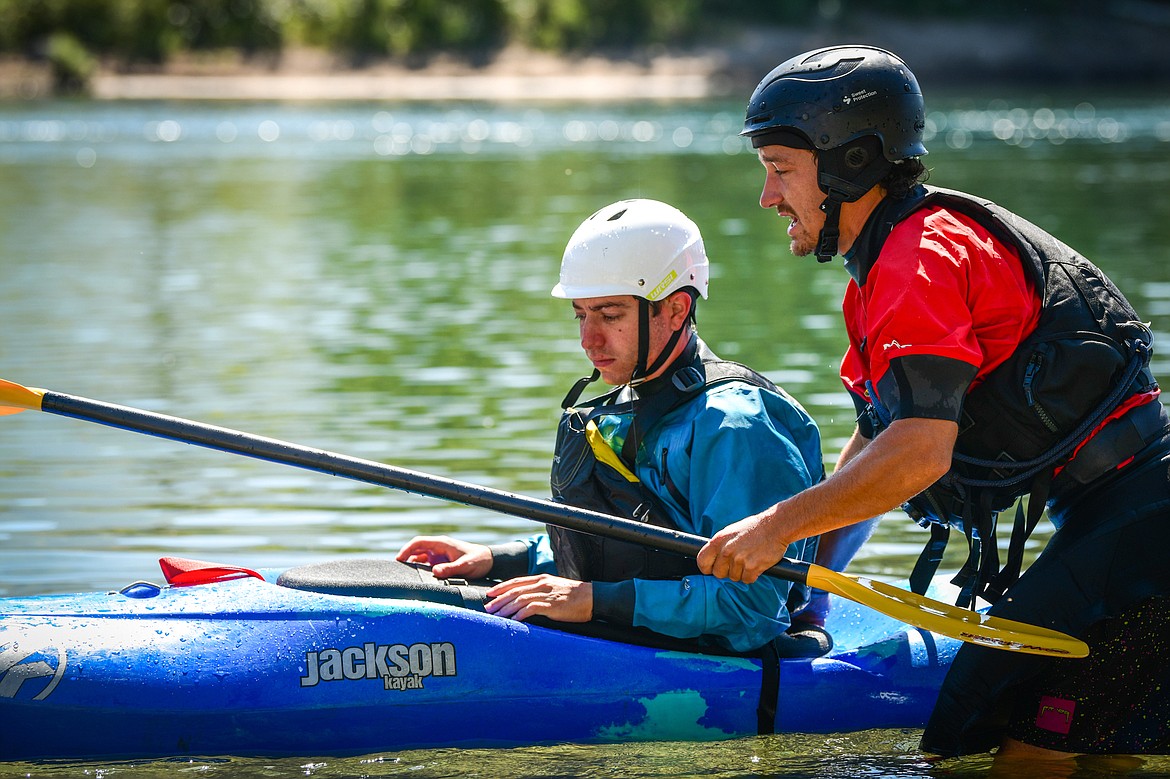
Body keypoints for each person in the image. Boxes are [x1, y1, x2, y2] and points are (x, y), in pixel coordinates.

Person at [696, 44, 1170, 757]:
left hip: (1143, 519)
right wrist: (811, 577)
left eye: (779, 170)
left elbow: (919, 450)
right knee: (1067, 739)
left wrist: (772, 525)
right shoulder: (883, 271)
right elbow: (877, 446)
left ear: (848, 163)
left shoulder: (919, 259)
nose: (767, 197)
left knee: (982, 729)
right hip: (1121, 515)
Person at [398, 198, 826, 657]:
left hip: (724, 661)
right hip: (640, 636)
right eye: (581, 314)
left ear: (677, 310)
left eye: (610, 315)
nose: (588, 339)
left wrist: (591, 600)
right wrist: (504, 558)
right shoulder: (631, 398)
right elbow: (637, 546)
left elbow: (752, 608)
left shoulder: (736, 428)